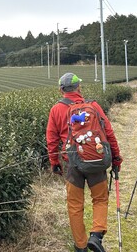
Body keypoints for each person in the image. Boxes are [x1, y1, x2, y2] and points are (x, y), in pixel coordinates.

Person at [46, 73, 122, 252]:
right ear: (79, 87)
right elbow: (109, 133)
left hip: (72, 163)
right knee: (101, 199)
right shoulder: (93, 106)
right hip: (95, 158)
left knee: (74, 205)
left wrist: (54, 161)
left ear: (61, 90)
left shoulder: (56, 110)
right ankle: (96, 235)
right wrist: (116, 158)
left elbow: (51, 138)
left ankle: (80, 246)